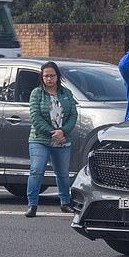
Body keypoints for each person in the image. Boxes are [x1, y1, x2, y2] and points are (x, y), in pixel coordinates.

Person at [25, 61, 78, 218]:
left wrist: (63, 132)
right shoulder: (36, 93)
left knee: (62, 173)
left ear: (57, 76)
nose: (49, 79)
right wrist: (52, 132)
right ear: (41, 77)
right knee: (36, 170)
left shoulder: (66, 93)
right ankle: (32, 204)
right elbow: (35, 117)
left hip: (62, 139)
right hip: (40, 139)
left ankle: (65, 203)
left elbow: (73, 115)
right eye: (46, 76)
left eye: (52, 75)